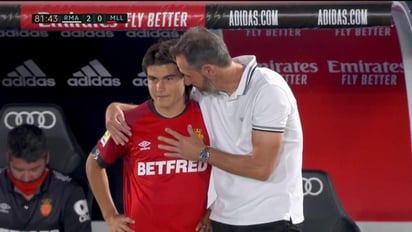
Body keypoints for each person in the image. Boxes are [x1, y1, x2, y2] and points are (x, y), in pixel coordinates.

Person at [106, 26, 304, 232]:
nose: (187, 82)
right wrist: (116, 110)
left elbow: (261, 168)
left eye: (187, 75)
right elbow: (160, 108)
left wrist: (202, 153)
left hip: (271, 219)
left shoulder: (268, 90)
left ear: (209, 70)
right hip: (225, 219)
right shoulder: (206, 91)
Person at [85, 39, 212, 232]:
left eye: (168, 78)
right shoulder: (127, 122)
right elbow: (94, 164)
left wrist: (214, 211)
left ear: (185, 78)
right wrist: (109, 215)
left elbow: (229, 169)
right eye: (153, 79)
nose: (159, 88)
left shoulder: (208, 118)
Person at [0, 123, 92, 231]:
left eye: (34, 169)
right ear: (8, 159)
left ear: (47, 158)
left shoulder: (68, 192)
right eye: (18, 170)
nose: (26, 178)